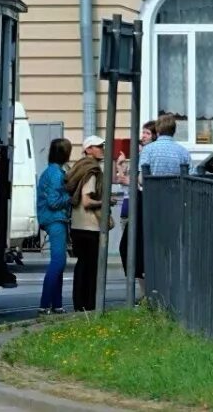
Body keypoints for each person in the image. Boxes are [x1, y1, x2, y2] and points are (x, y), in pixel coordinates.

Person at [66, 136, 108, 313]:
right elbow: (86, 201)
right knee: (91, 267)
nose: (102, 149)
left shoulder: (79, 167)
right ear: (88, 149)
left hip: (77, 225)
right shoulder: (92, 171)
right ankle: (89, 305)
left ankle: (79, 303)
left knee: (82, 265)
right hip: (90, 225)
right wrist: (105, 202)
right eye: (98, 146)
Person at [117, 120, 157, 286]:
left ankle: (144, 292)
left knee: (134, 249)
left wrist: (129, 180)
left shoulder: (147, 154)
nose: (143, 137)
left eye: (147, 133)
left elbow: (141, 182)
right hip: (132, 205)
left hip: (140, 206)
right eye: (143, 133)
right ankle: (143, 292)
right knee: (132, 249)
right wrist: (121, 167)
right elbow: (124, 182)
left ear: (155, 135)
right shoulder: (140, 156)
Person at [36, 137, 73, 315]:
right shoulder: (57, 174)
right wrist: (70, 197)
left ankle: (56, 304)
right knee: (58, 262)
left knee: (59, 262)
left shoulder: (48, 172)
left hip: (49, 218)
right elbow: (54, 201)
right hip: (55, 219)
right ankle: (45, 304)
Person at [140, 113, 193, 177]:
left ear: (157, 130)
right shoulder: (184, 152)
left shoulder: (147, 150)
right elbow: (191, 176)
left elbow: (142, 179)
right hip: (176, 186)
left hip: (153, 186)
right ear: (174, 131)